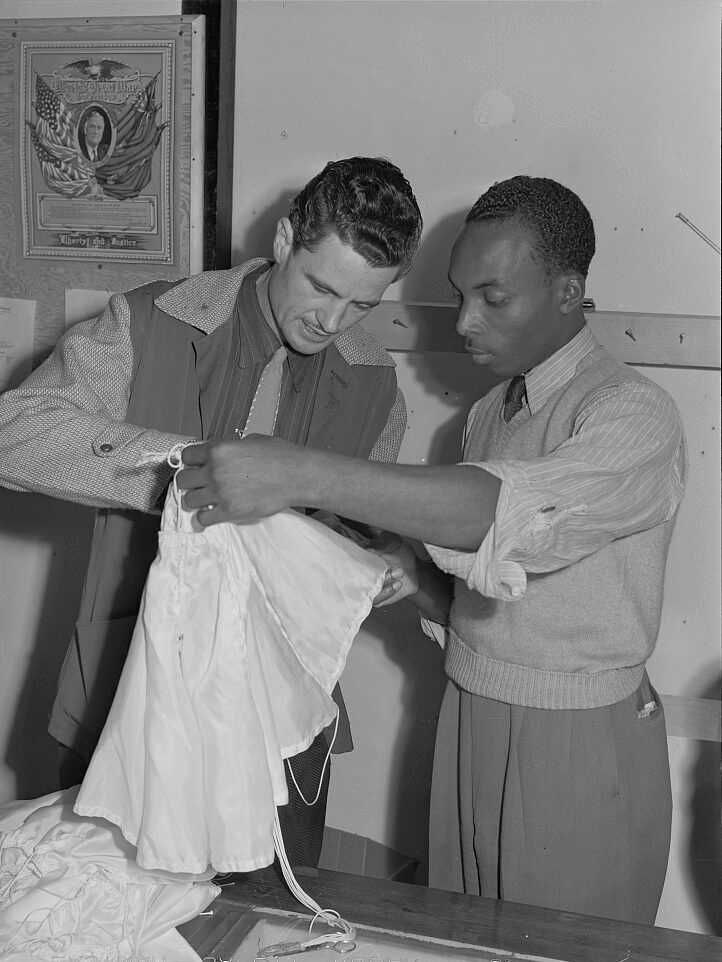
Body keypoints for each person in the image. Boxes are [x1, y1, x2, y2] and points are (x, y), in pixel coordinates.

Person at [175, 175, 686, 923]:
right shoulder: (487, 415)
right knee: (459, 935)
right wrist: (414, 575)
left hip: (579, 739)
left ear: (569, 292)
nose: (466, 322)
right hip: (468, 714)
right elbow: (499, 600)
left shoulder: (632, 413)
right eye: (459, 296)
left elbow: (508, 513)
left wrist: (302, 471)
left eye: (494, 298)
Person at [0, 155, 423, 870]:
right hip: (130, 690)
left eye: (362, 305)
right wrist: (190, 470)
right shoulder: (146, 322)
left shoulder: (379, 388)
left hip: (279, 720)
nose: (332, 320)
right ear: (286, 240)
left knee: (270, 925)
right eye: (321, 288)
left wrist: (389, 565)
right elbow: (16, 435)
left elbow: (361, 536)